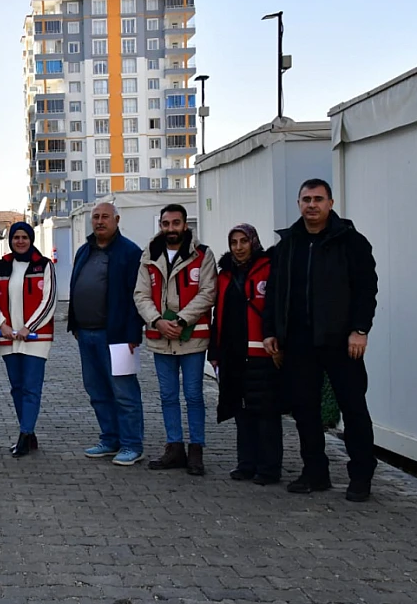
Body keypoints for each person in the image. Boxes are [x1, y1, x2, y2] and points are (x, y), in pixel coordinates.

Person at [263, 178, 378, 502]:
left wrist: (360, 329)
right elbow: (274, 292)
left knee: (354, 409)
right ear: (298, 203)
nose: (311, 205)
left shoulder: (351, 242)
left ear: (330, 203)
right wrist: (270, 330)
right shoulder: (287, 246)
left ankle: (361, 477)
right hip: (299, 342)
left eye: (317, 199)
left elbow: (366, 290)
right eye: (305, 199)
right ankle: (315, 473)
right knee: (305, 410)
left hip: (342, 341)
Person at [134, 203, 217, 475]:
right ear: (161, 225)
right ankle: (174, 447)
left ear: (185, 225)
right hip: (161, 337)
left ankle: (196, 450)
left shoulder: (202, 255)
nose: (171, 228)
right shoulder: (149, 255)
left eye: (176, 223)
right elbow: (141, 295)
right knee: (168, 396)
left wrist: (180, 320)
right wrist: (158, 320)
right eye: (166, 224)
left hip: (192, 338)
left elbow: (208, 293)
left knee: (193, 395)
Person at [68, 203, 146, 466]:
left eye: (105, 217)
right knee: (97, 391)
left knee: (124, 393)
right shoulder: (84, 251)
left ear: (117, 219)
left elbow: (138, 296)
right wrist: (75, 325)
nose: (100, 222)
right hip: (87, 336)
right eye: (96, 217)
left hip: (119, 338)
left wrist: (135, 332)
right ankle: (110, 439)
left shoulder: (129, 253)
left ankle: (132, 445)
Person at [211, 224, 283, 485]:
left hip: (262, 353)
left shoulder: (269, 267)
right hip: (233, 354)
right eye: (234, 242)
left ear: (253, 242)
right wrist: (215, 351)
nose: (239, 247)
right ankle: (246, 464)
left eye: (243, 241)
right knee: (241, 413)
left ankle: (269, 468)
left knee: (265, 413)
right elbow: (218, 316)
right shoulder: (224, 275)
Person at [0, 222, 56, 458]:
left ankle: (24, 435)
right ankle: (29, 431)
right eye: (16, 237)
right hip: (8, 337)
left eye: (24, 237)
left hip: (36, 338)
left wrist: (30, 327)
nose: (20, 241)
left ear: (31, 239)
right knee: (17, 388)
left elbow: (49, 300)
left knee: (31, 388)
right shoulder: (3, 265)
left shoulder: (44, 265)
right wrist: (2, 325)